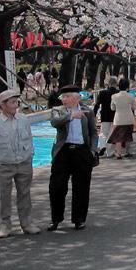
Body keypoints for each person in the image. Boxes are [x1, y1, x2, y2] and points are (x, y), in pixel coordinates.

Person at [0, 89, 41, 238]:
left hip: (24, 162)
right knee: (5, 196)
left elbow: (29, 139)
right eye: (12, 102)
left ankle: (27, 223)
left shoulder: (23, 119)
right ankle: (5, 225)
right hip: (5, 164)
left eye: (16, 101)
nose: (15, 104)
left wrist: (30, 156)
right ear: (3, 105)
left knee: (25, 194)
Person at [47, 85, 98, 231]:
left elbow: (93, 132)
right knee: (56, 187)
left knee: (81, 187)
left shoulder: (87, 111)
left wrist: (93, 150)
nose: (64, 99)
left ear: (76, 98)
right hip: (63, 151)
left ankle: (79, 219)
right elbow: (55, 122)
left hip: (82, 151)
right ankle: (55, 218)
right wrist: (70, 116)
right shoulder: (58, 110)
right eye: (62, 97)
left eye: (67, 96)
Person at [109, 78, 136, 159]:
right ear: (127, 87)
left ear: (118, 86)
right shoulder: (131, 96)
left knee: (118, 138)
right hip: (129, 118)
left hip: (118, 119)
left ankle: (118, 153)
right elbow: (134, 108)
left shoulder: (114, 96)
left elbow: (112, 108)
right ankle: (128, 152)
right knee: (128, 136)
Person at [93, 76, 119, 158]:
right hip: (115, 116)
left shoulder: (102, 93)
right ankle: (110, 152)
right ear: (116, 84)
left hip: (104, 115)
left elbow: (97, 104)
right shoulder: (118, 93)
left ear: (108, 84)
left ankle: (102, 146)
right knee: (112, 134)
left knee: (103, 132)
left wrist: (94, 114)